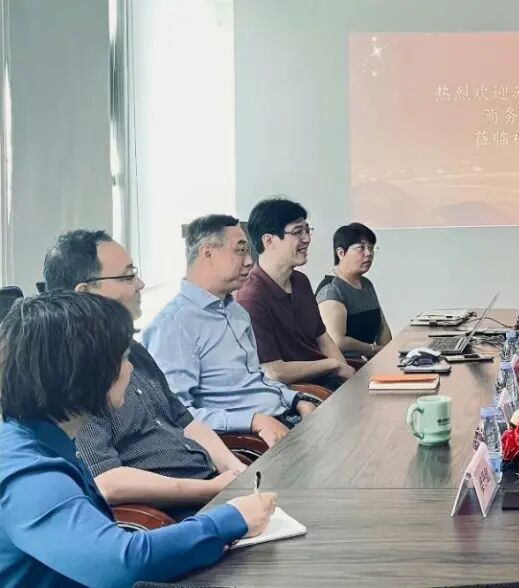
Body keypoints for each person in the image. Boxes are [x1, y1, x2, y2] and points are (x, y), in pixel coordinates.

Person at [0, 291, 277, 587]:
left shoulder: (47, 439)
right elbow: (121, 563)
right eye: (122, 359)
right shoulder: (28, 474)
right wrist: (231, 519)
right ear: (83, 371)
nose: (130, 369)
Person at [43, 230, 247, 522]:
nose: (140, 284)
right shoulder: (73, 371)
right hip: (172, 515)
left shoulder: (132, 347)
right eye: (128, 277)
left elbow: (184, 420)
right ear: (85, 292)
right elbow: (106, 481)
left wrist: (233, 469)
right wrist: (209, 490)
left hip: (210, 485)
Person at [143, 215, 319, 449]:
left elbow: (257, 380)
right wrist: (253, 422)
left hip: (285, 417)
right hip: (251, 440)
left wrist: (297, 400)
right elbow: (176, 414)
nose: (249, 261)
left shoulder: (236, 312)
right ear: (207, 253)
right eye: (240, 251)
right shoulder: (174, 325)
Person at [236, 197, 354, 390]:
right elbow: (274, 372)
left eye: (307, 230)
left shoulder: (300, 281)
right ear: (269, 241)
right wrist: (332, 365)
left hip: (328, 382)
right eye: (298, 232)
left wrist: (347, 375)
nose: (306, 239)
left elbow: (323, 340)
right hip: (300, 393)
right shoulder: (251, 297)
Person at [316, 222, 392, 361]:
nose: (368, 254)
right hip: (345, 366)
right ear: (341, 253)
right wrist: (374, 350)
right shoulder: (331, 289)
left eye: (371, 248)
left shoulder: (366, 284)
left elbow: (382, 326)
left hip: (369, 360)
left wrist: (388, 355)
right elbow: (337, 341)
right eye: (361, 248)